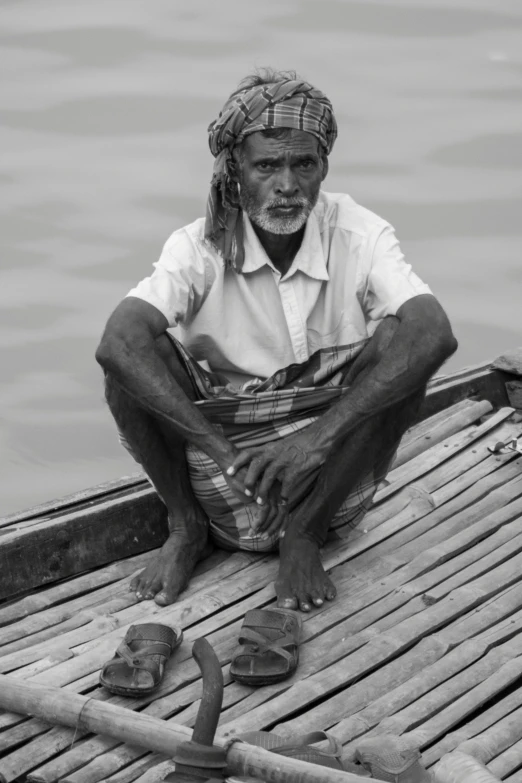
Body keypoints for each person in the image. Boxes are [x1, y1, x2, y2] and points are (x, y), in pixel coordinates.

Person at [96, 69, 457, 613]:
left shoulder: (359, 232)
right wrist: (227, 455)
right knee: (128, 364)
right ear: (235, 171)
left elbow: (436, 333)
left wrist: (313, 442)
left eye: (303, 165)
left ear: (323, 169)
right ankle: (186, 526)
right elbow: (116, 343)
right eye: (267, 166)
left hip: (329, 474)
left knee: (404, 344)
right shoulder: (197, 247)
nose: (287, 185)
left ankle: (304, 537)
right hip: (227, 473)